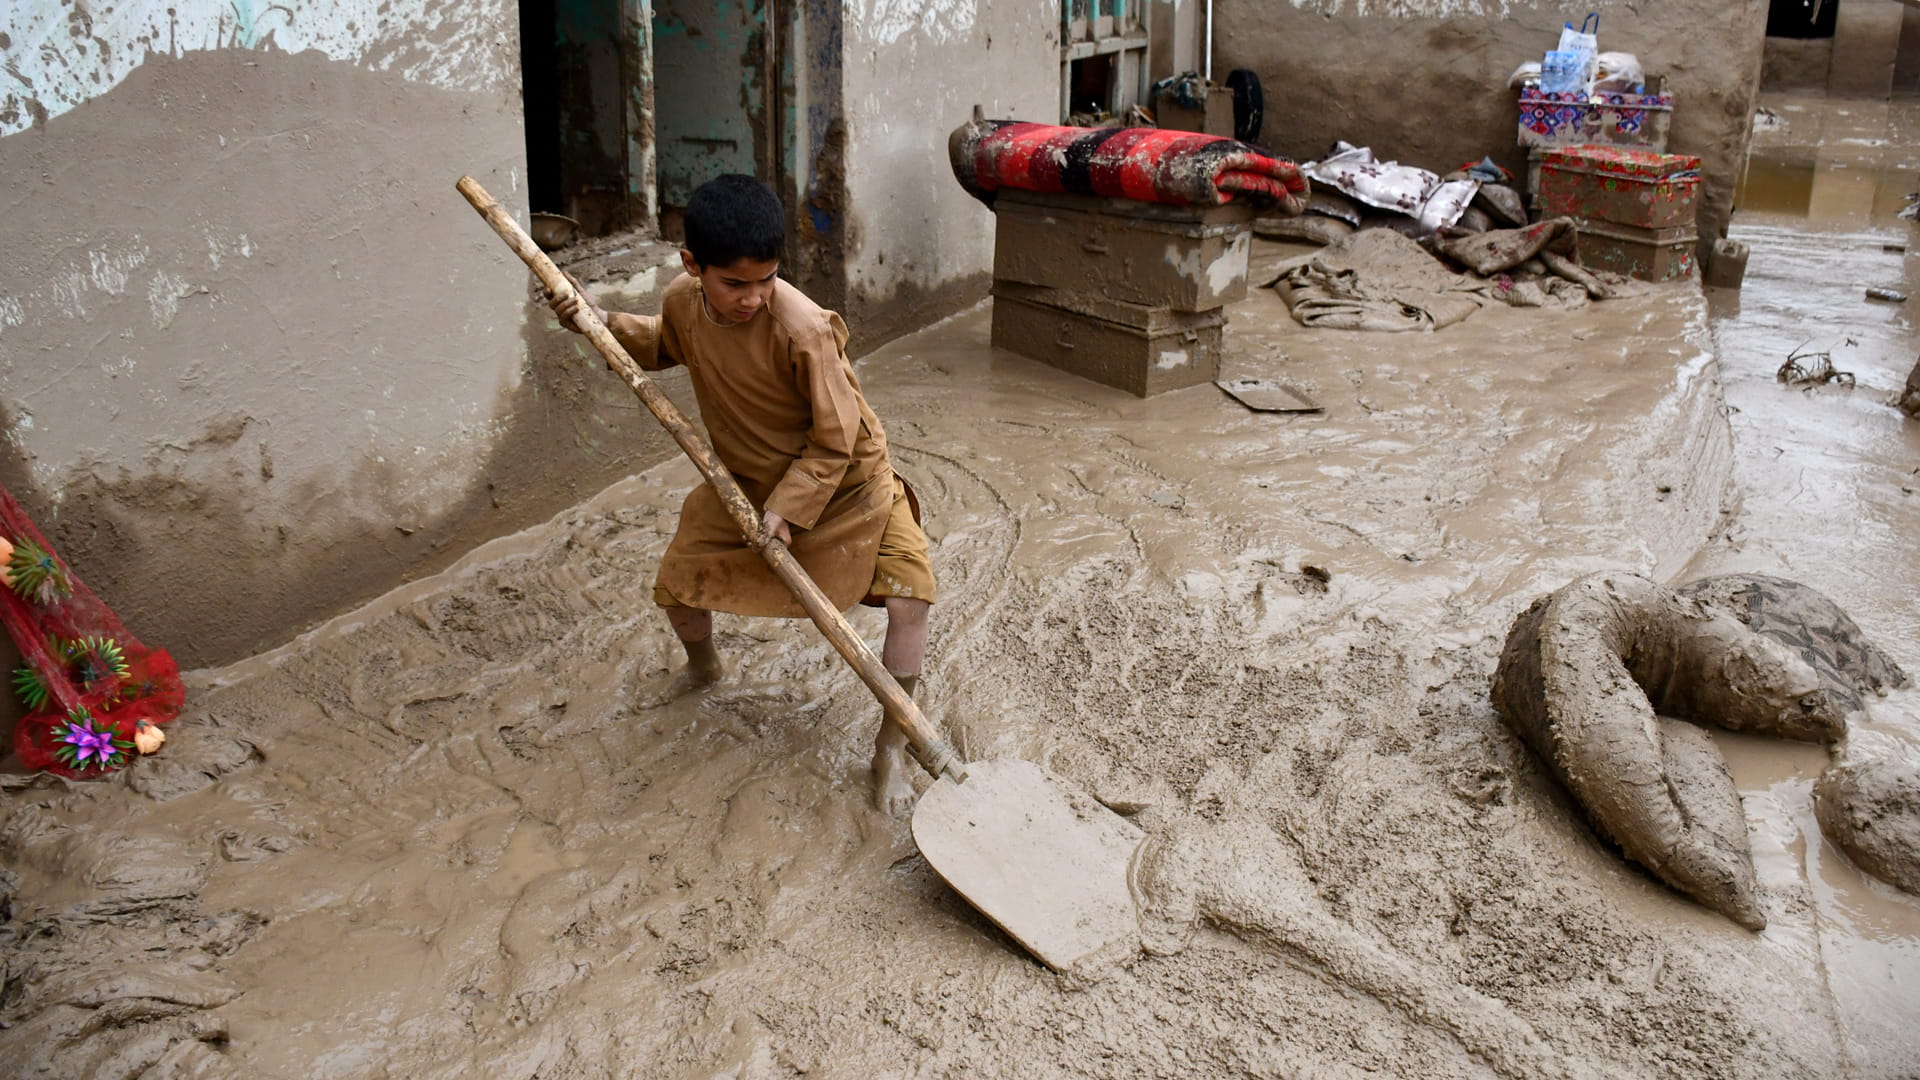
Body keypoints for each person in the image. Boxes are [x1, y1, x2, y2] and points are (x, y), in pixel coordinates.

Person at [547, 174, 937, 814]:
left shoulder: (804, 329)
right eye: (735, 284)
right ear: (692, 265)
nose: (753, 298)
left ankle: (891, 748)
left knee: (910, 603)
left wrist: (788, 509)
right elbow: (660, 344)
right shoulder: (681, 301)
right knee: (677, 585)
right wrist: (595, 321)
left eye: (767, 280)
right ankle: (704, 671)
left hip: (846, 488)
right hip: (747, 488)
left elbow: (837, 441)